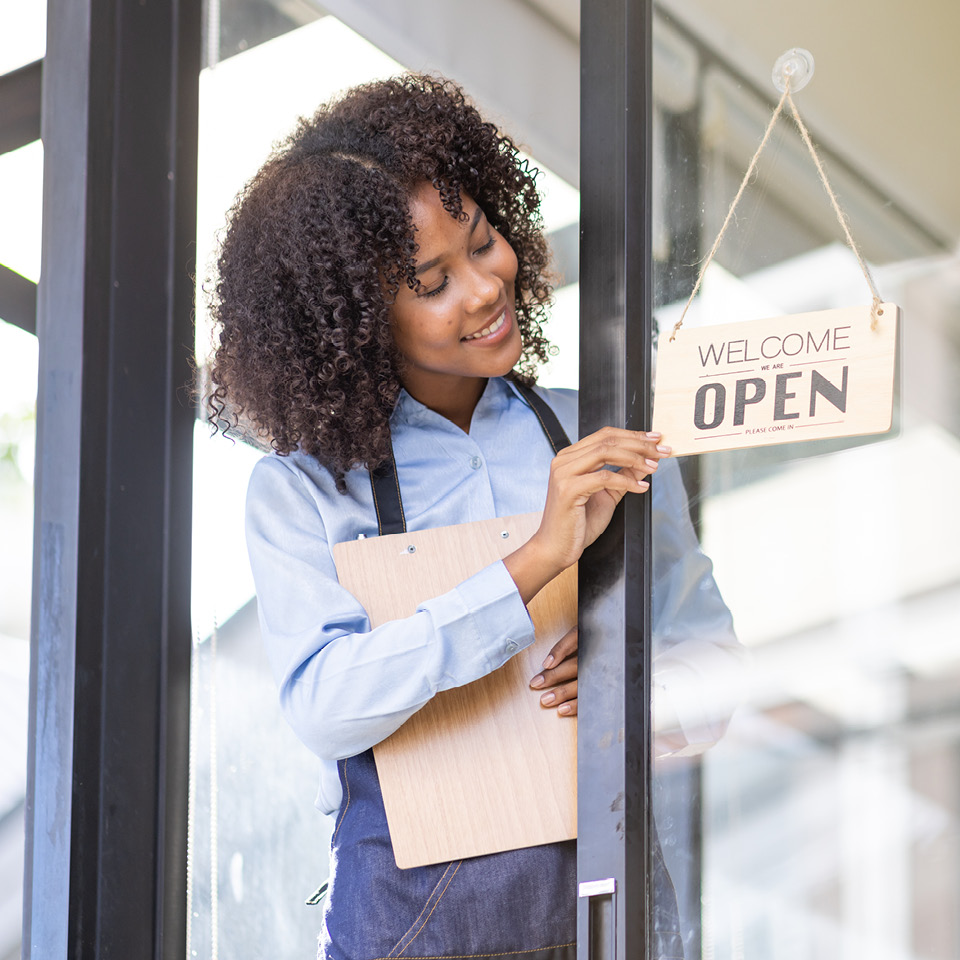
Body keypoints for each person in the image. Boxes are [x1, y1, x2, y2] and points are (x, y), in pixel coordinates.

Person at [208, 74, 740, 960]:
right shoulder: (304, 492)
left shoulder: (604, 437)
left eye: (484, 242)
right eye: (432, 281)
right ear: (353, 323)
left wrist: (635, 690)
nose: (485, 287)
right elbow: (328, 705)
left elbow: (717, 672)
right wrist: (534, 561)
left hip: (614, 909)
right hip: (408, 925)